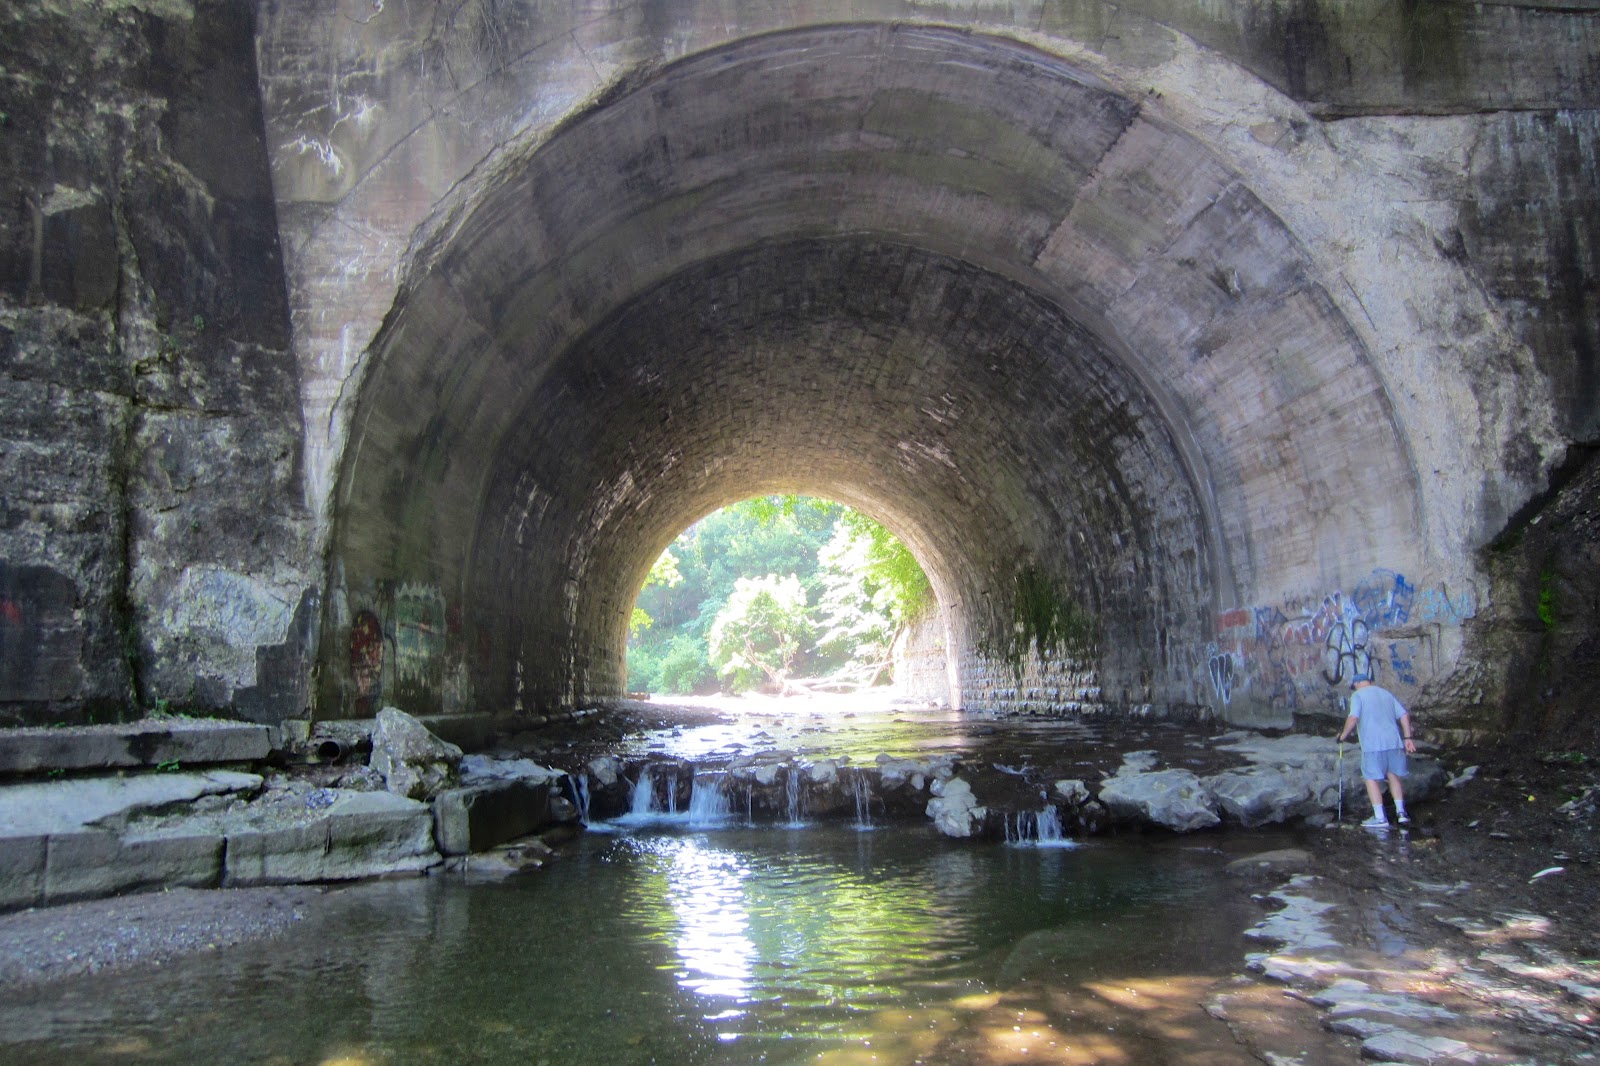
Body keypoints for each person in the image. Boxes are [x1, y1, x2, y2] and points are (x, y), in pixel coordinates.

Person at [1336, 675, 1417, 828]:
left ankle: (1380, 818)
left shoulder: (1358, 695)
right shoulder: (1385, 693)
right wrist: (1407, 738)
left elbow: (1353, 717)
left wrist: (1343, 736)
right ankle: (1401, 814)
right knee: (1394, 775)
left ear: (1357, 683)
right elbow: (1404, 715)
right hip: (1394, 742)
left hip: (1373, 745)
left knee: (1371, 779)